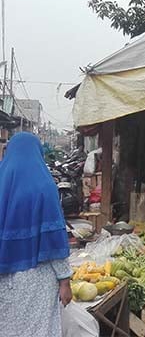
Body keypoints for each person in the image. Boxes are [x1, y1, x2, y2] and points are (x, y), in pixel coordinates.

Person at [0, 132, 72, 336]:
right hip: (37, 278)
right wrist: (65, 280)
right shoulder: (44, 185)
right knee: (39, 328)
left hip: (4, 277)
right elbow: (53, 241)